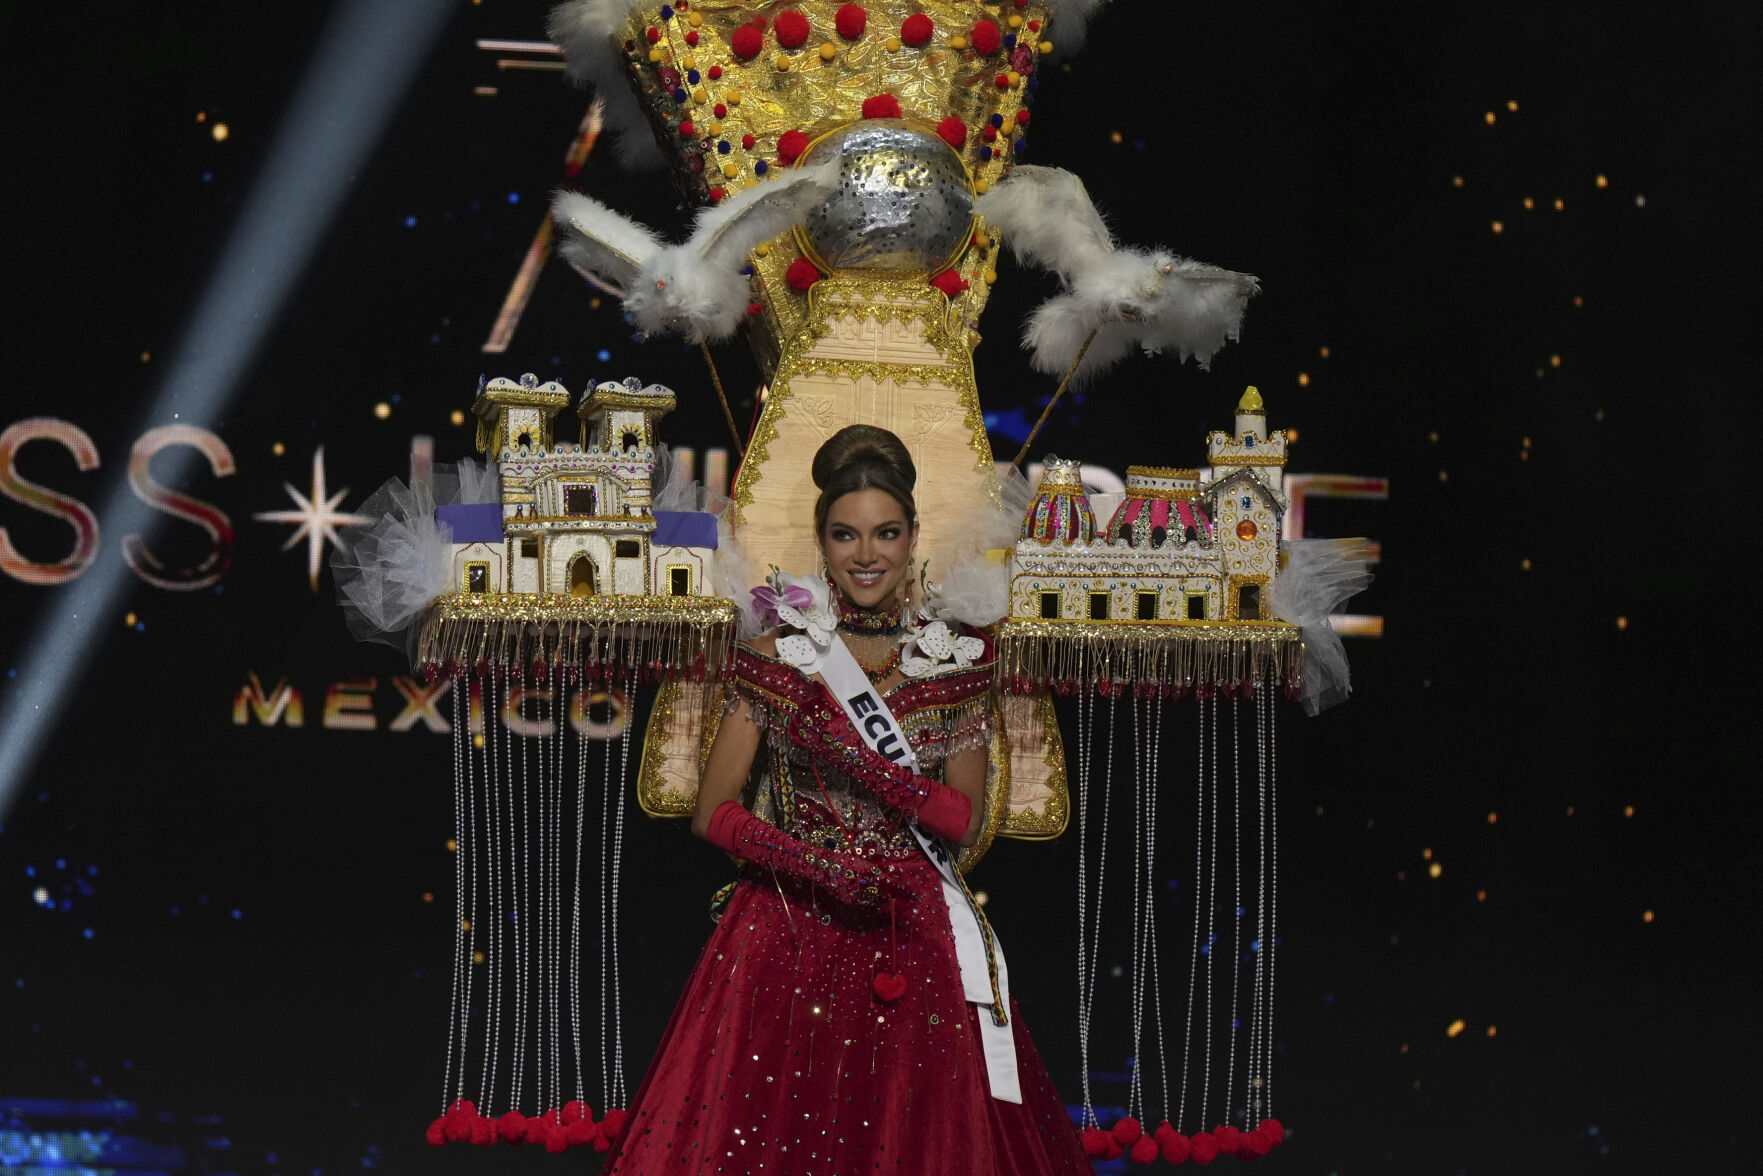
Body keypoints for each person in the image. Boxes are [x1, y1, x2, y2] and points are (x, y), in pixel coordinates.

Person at [602, 425, 1092, 1173]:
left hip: (913, 928)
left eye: (885, 534)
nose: (866, 555)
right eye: (845, 535)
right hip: (786, 924)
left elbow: (962, 821)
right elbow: (713, 813)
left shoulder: (954, 663)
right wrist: (818, 867)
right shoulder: (777, 659)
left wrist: (849, 756)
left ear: (912, 536)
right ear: (821, 541)